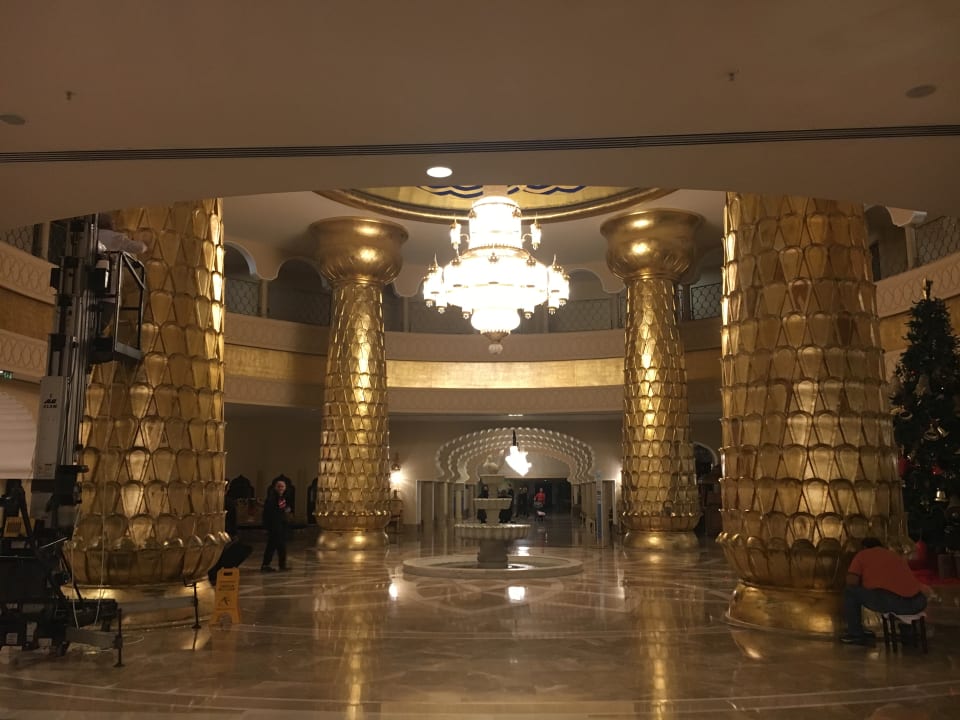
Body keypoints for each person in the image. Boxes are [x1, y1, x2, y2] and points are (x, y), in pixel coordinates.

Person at [841, 537, 932, 644]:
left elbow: (852, 581)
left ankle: (855, 633)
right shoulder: (893, 555)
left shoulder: (862, 555)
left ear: (864, 547)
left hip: (892, 602)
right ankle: (908, 629)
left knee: (850, 592)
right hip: (918, 602)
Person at [261, 479, 293, 572]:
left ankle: (282, 565)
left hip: (281, 526)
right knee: (271, 546)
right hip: (274, 526)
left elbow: (283, 511)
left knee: (281, 546)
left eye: (282, 486)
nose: (280, 488)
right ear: (275, 488)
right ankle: (265, 565)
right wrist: (266, 527)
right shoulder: (271, 499)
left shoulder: (283, 498)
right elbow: (267, 514)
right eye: (279, 486)